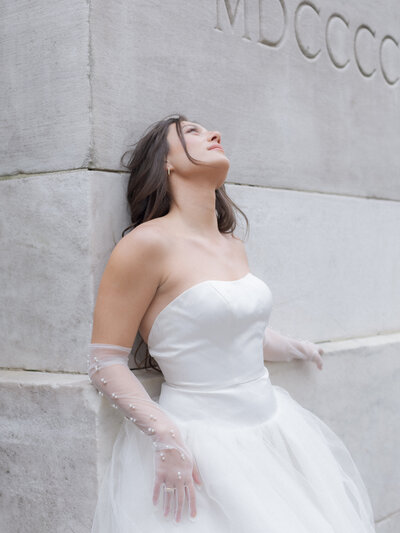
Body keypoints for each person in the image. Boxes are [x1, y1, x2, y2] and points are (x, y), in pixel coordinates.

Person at [87, 114, 376, 531]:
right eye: (191, 133)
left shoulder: (231, 244)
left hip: (270, 429)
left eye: (208, 130)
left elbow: (234, 331)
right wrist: (166, 437)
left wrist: (295, 347)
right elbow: (104, 361)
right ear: (165, 163)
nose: (213, 134)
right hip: (202, 443)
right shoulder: (146, 244)